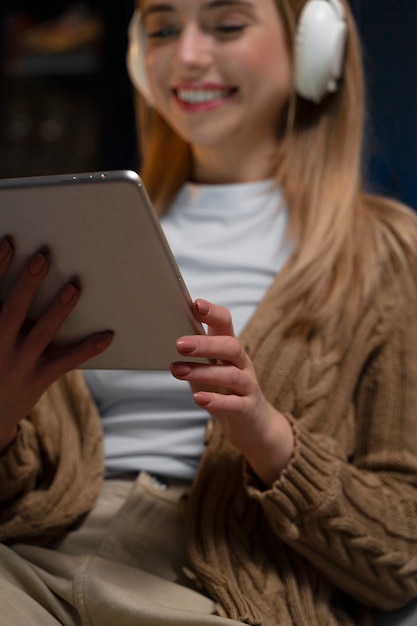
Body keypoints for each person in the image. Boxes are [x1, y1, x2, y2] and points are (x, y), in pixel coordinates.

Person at [1, 0, 417, 624]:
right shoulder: (81, 227)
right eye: (164, 30)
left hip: (224, 586)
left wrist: (268, 437)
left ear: (316, 50)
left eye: (227, 26)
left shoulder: (385, 253)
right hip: (36, 560)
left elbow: (401, 557)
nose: (187, 57)